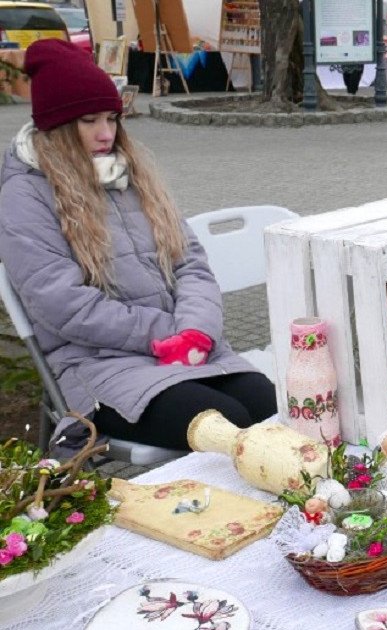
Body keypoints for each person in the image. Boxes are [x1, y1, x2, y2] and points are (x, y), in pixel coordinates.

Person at [0, 40, 276, 451]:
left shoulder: (128, 174)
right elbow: (63, 305)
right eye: (89, 121)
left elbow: (190, 263)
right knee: (226, 425)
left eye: (112, 118)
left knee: (270, 407)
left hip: (187, 350)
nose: (106, 134)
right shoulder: (25, 195)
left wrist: (196, 329)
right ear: (57, 127)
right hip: (99, 365)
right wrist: (167, 333)